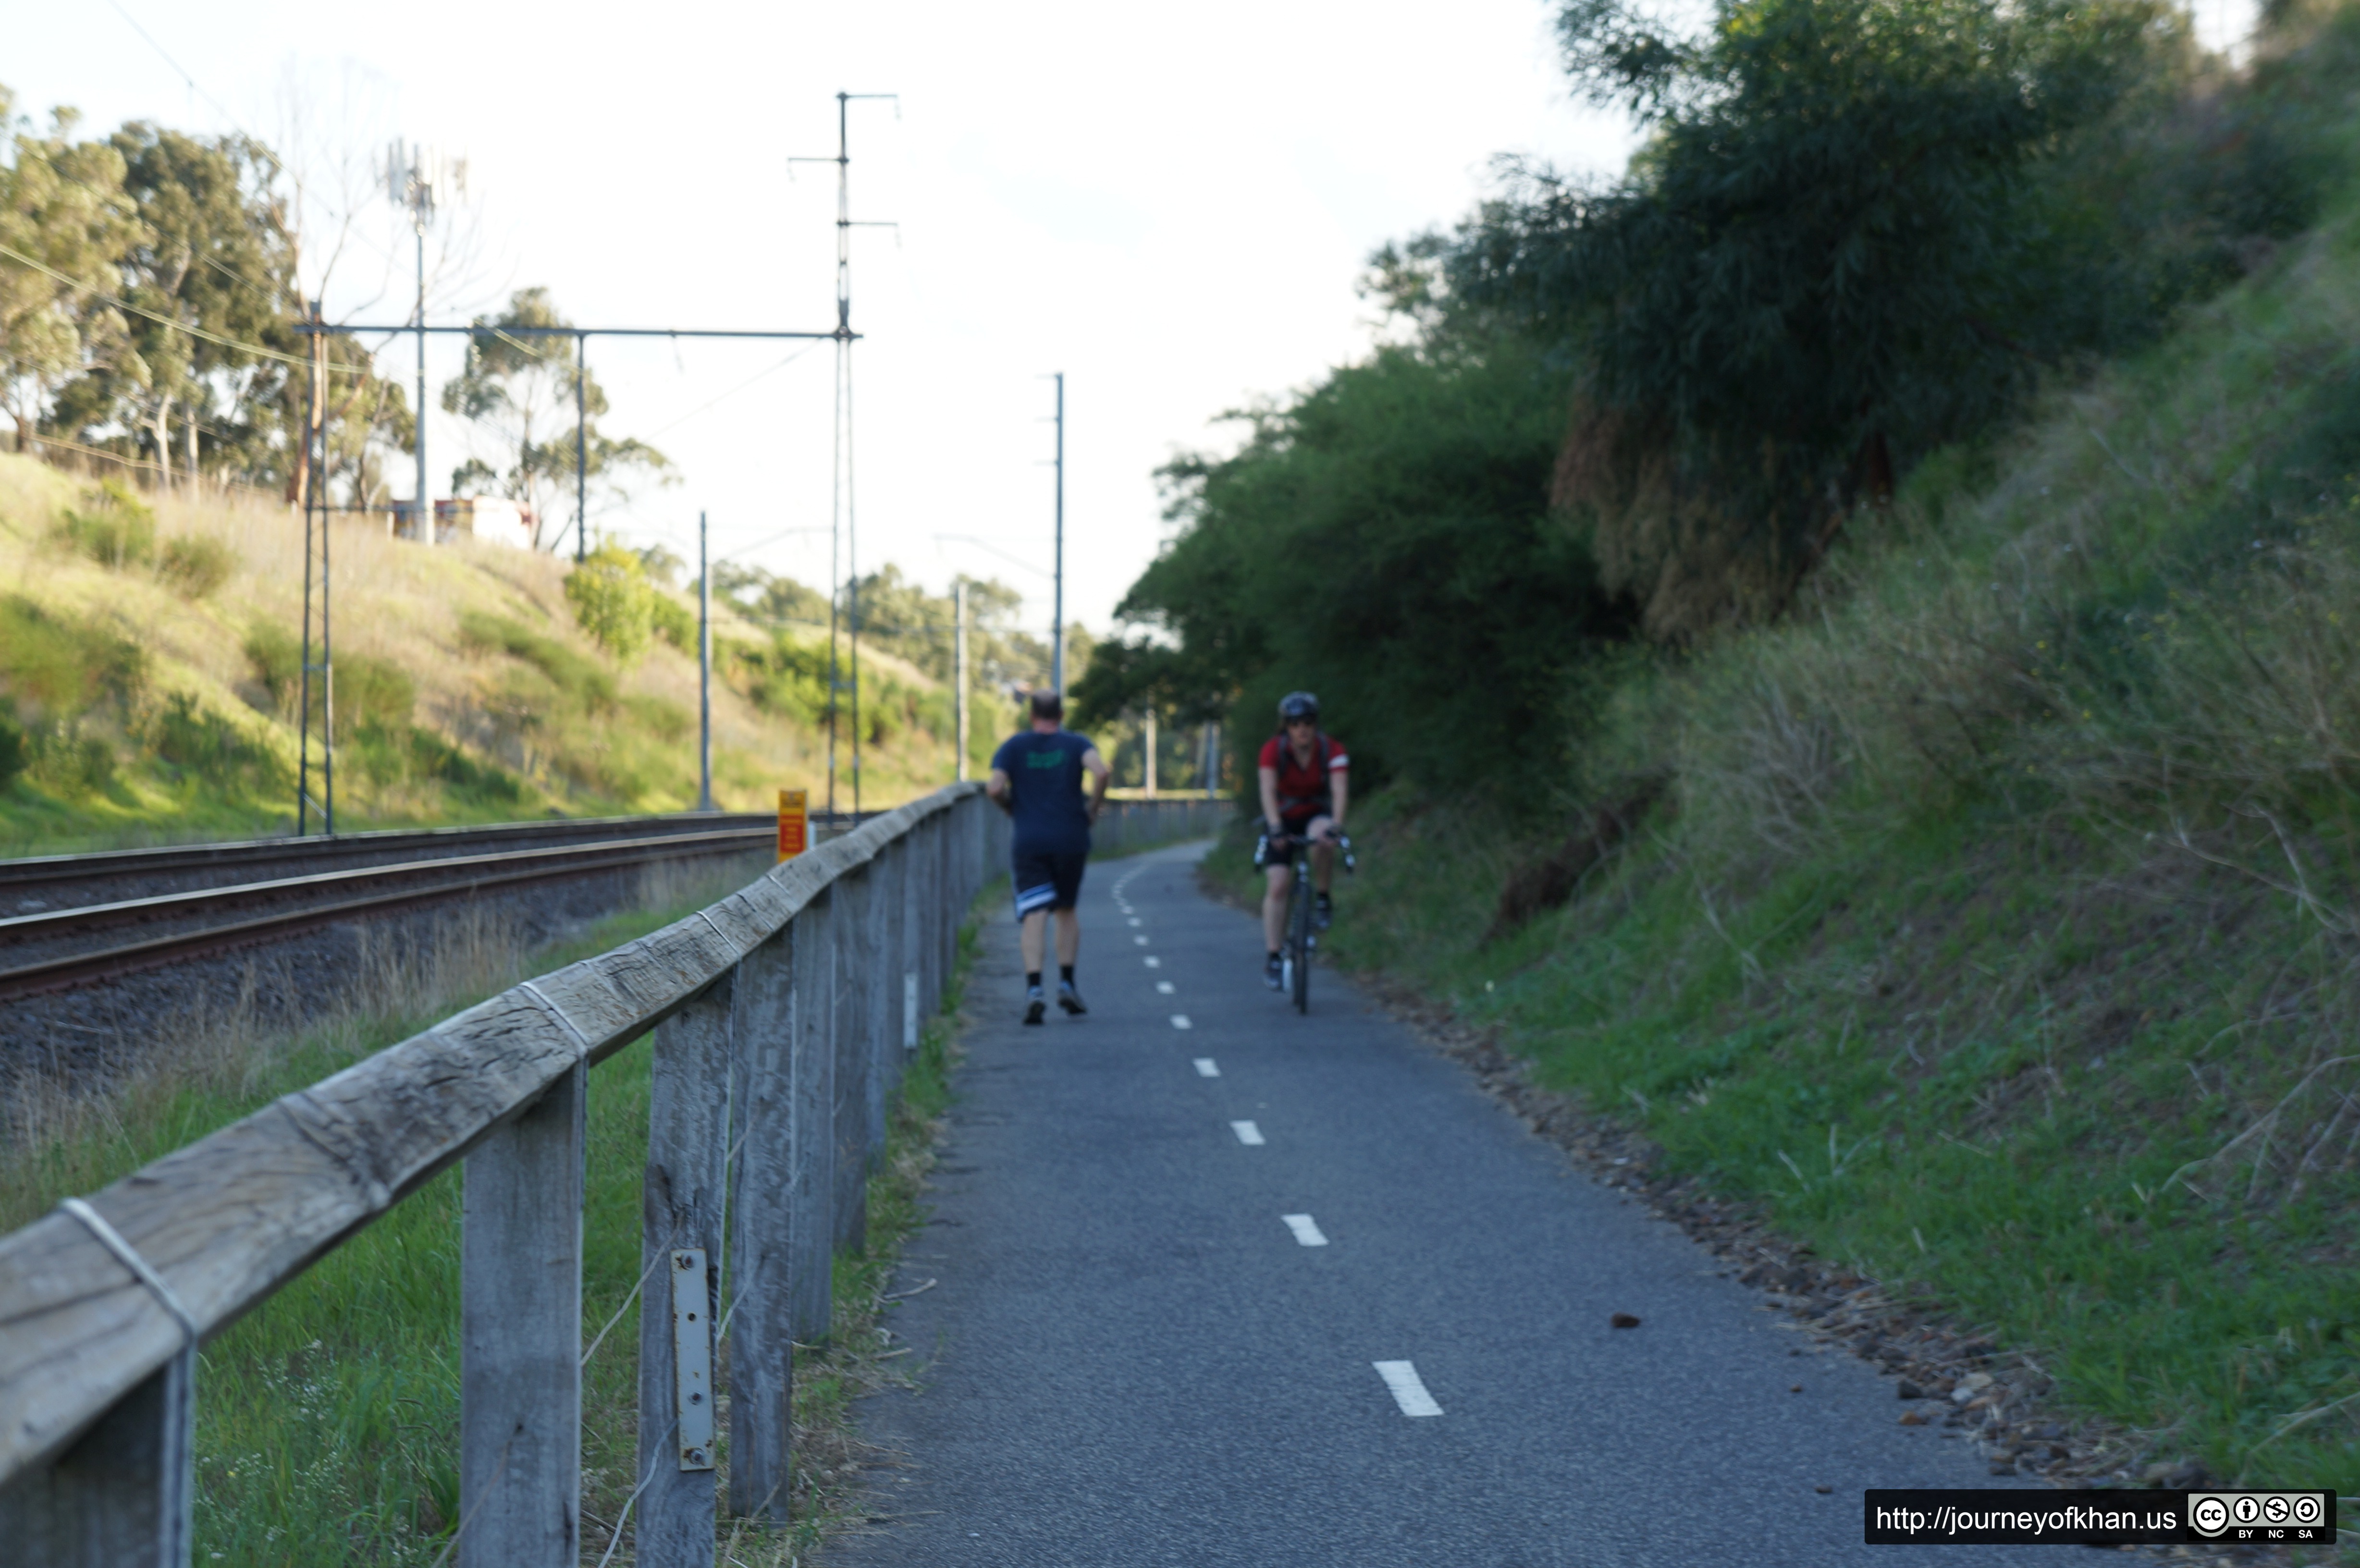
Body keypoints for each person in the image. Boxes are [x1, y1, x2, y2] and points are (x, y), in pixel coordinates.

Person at [987, 688, 1112, 1025]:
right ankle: (1068, 984)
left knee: (1035, 912)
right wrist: (1092, 809)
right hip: (1071, 838)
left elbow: (995, 787)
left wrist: (1011, 808)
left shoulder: (1014, 747)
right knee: (1067, 910)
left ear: (1032, 715)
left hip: (1030, 840)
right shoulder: (1076, 744)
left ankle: (1034, 990)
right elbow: (1101, 772)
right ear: (1061, 715)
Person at [1257, 690, 1348, 989]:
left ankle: (1322, 897)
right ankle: (1273, 955)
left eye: (1307, 722)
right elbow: (1268, 790)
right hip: (1282, 816)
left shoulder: (1331, 749)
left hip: (1315, 813)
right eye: (1295, 723)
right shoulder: (1273, 750)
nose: (1302, 729)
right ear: (1286, 726)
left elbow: (1339, 790)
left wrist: (1337, 824)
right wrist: (1275, 827)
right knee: (1279, 884)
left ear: (1315, 724)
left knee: (1323, 838)